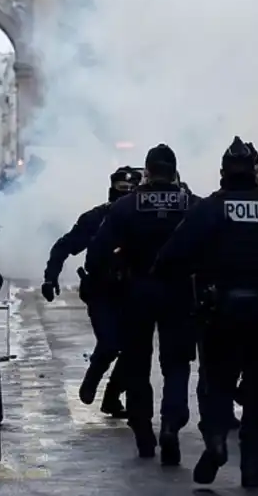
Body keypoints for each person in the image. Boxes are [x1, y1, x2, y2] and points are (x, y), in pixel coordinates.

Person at [152, 136, 258, 487]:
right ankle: (251, 465)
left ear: (223, 172)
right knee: (257, 391)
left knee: (216, 385)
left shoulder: (209, 209)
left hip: (219, 314)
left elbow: (171, 256)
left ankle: (217, 442)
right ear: (256, 171)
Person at [86, 144, 199, 466]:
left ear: (147, 173)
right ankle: (171, 424)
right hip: (179, 293)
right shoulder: (192, 204)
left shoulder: (126, 206)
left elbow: (96, 255)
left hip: (136, 293)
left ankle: (143, 432)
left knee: (137, 364)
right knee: (176, 364)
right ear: (175, 173)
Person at [42, 166, 141, 417]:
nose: (125, 196)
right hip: (101, 291)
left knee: (134, 350)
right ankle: (92, 378)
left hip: (134, 291)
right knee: (109, 344)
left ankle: (112, 396)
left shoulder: (144, 218)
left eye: (132, 191)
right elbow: (64, 246)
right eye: (122, 191)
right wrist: (50, 278)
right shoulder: (96, 218)